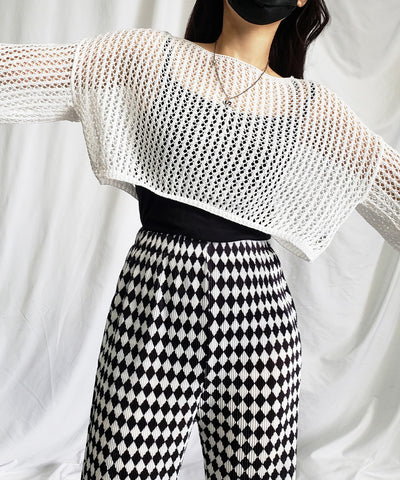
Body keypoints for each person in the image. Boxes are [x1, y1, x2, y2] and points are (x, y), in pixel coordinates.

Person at [1, 0, 399, 479]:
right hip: (150, 309)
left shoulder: (313, 110)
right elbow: (14, 73)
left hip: (260, 325)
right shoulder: (148, 59)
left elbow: (391, 190)